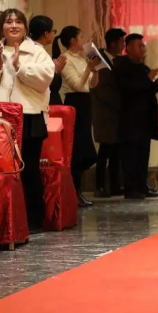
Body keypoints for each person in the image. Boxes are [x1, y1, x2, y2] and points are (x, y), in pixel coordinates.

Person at [0, 9, 55, 233]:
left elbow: (45, 80)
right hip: (0, 118)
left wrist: (20, 67)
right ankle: (6, 220)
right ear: (1, 27)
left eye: (18, 22)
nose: (13, 25)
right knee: (4, 169)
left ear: (25, 27)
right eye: (8, 22)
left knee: (29, 169)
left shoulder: (37, 51)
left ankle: (33, 219)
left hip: (30, 115)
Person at [115, 34, 158, 200]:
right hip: (130, 119)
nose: (143, 49)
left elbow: (147, 91)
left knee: (143, 155)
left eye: (143, 45)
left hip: (145, 119)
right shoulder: (122, 67)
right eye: (139, 45)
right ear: (129, 47)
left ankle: (142, 185)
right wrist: (148, 79)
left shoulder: (143, 67)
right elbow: (129, 89)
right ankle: (130, 188)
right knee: (130, 156)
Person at [54, 26, 101, 207]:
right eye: (81, 37)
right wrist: (89, 68)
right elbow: (77, 86)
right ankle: (75, 191)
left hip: (85, 103)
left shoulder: (81, 59)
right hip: (74, 104)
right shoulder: (65, 59)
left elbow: (92, 85)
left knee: (84, 147)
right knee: (76, 149)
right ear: (73, 40)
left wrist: (95, 71)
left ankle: (78, 190)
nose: (84, 40)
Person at [92, 28, 125, 198]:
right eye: (122, 42)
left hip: (116, 114)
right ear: (113, 43)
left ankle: (114, 185)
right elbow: (100, 89)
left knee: (115, 151)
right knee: (104, 151)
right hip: (104, 113)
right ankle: (99, 186)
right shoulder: (98, 58)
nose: (123, 46)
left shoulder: (118, 61)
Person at [28, 15, 66, 106]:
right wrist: (55, 71)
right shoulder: (36, 51)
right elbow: (42, 82)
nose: (54, 34)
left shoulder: (35, 49)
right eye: (53, 31)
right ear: (46, 34)